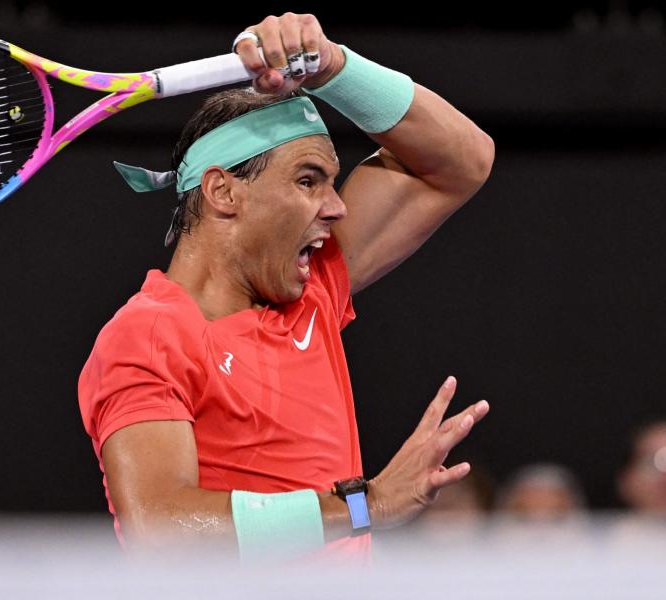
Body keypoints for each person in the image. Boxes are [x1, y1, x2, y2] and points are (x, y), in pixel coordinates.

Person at [78, 12, 494, 565]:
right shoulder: (148, 335)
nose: (337, 205)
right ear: (224, 192)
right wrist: (366, 506)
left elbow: (463, 160)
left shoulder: (313, 291)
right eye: (307, 180)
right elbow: (163, 526)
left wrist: (333, 68)